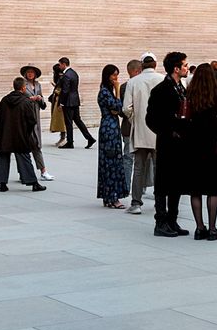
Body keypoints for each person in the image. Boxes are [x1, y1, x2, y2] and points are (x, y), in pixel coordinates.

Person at [183, 61, 217, 239]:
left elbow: (184, 120)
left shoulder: (190, 94)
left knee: (195, 189)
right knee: (213, 189)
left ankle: (199, 228)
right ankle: (212, 229)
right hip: (216, 146)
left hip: (193, 146)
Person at [145, 51, 191, 235]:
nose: (187, 68)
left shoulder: (181, 88)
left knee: (176, 182)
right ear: (176, 68)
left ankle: (173, 220)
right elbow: (151, 119)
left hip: (181, 144)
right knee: (163, 182)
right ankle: (161, 222)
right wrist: (168, 132)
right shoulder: (161, 90)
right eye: (185, 65)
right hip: (167, 143)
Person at [123, 55, 163, 215]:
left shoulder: (133, 82)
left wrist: (136, 119)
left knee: (139, 168)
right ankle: (160, 202)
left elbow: (126, 108)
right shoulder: (162, 79)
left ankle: (136, 203)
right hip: (159, 132)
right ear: (155, 64)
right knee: (159, 168)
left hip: (140, 131)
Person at [0, 75, 44, 191]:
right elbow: (32, 121)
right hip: (20, 134)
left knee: (4, 157)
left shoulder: (5, 100)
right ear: (23, 88)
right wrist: (28, 133)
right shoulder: (25, 102)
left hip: (5, 135)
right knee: (24, 157)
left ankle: (3, 183)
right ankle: (33, 182)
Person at [96, 64, 130, 207]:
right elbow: (117, 106)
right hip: (109, 129)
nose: (116, 78)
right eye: (113, 75)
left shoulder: (106, 91)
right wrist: (117, 90)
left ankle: (109, 196)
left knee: (112, 161)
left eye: (117, 74)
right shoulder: (105, 91)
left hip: (111, 127)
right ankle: (113, 197)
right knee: (111, 163)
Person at [57, 57, 95, 149]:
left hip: (68, 102)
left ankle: (70, 142)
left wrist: (61, 103)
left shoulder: (66, 75)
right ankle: (89, 138)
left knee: (68, 122)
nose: (59, 66)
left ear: (64, 64)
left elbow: (65, 90)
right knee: (78, 120)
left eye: (60, 64)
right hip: (75, 100)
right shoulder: (74, 73)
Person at [21, 66, 50, 182]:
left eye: (32, 72)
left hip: (36, 117)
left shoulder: (38, 85)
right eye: (28, 72)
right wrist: (30, 99)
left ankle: (43, 171)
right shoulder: (22, 84)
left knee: (36, 144)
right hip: (25, 118)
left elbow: (43, 100)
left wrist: (39, 98)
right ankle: (24, 172)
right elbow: (19, 98)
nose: (30, 74)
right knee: (26, 146)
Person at [48, 61, 67, 146]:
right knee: (59, 120)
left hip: (60, 100)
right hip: (56, 100)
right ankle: (62, 137)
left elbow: (62, 89)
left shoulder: (61, 77)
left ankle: (63, 138)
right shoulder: (60, 77)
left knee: (61, 120)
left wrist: (56, 88)